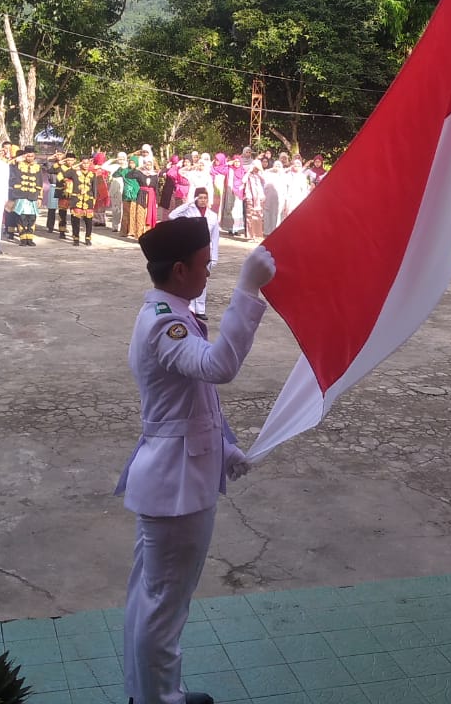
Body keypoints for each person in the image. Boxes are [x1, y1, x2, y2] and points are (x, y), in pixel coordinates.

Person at [115, 218, 276, 704]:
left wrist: (224, 448)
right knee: (164, 605)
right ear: (180, 268)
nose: (212, 272)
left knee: (153, 599)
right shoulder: (167, 321)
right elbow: (217, 368)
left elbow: (193, 400)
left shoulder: (172, 310)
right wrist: (247, 291)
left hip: (181, 473)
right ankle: (160, 699)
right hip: (175, 486)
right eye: (205, 265)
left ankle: (150, 692)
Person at [172, 189, 221, 320]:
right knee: (190, 280)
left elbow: (215, 238)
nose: (203, 200)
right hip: (191, 251)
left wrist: (214, 256)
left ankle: (200, 309)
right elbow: (172, 215)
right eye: (200, 198)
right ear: (195, 199)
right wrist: (189, 203)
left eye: (205, 198)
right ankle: (190, 309)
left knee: (203, 281)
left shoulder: (212, 216)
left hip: (206, 252)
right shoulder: (188, 212)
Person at [10, 146, 43, 246]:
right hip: (21, 195)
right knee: (22, 217)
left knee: (32, 217)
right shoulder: (17, 165)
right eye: (27, 156)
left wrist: (40, 197)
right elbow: (9, 164)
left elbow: (40, 182)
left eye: (31, 156)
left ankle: (30, 237)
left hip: (33, 195)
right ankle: (23, 238)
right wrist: (19, 158)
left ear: (34, 156)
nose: (29, 158)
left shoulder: (37, 167)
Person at [66, 155, 101, 246]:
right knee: (75, 221)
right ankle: (76, 238)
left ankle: (88, 238)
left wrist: (94, 198)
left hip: (88, 199)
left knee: (88, 221)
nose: (85, 165)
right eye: (83, 163)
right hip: (76, 200)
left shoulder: (92, 174)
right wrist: (75, 166)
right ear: (81, 163)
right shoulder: (74, 173)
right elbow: (65, 174)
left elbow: (94, 188)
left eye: (87, 163)